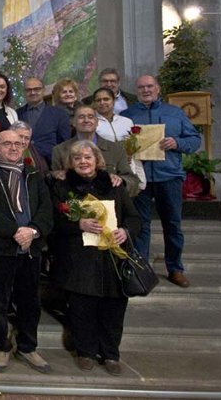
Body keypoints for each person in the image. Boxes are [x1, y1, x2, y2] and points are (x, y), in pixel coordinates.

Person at [48, 140, 140, 375]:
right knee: (82, 309)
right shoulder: (61, 187)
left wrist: (125, 231)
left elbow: (133, 218)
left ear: (97, 160)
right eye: (77, 158)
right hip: (78, 260)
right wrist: (78, 224)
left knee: (113, 309)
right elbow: (53, 222)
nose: (83, 162)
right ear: (70, 162)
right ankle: (85, 352)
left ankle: (111, 354)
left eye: (88, 157)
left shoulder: (114, 184)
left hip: (112, 259)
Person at [0, 130, 53, 374]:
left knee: (30, 301)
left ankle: (28, 347)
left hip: (30, 249)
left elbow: (46, 209)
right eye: (7, 143)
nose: (13, 148)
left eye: (18, 143)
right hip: (0, 248)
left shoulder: (33, 175)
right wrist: (15, 232)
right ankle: (1, 347)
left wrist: (33, 231)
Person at [122, 75, 201, 288]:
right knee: (141, 225)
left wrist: (177, 142)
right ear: (136, 90)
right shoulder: (128, 116)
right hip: (140, 178)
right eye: (141, 87)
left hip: (169, 176)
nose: (146, 90)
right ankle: (142, 270)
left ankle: (175, 269)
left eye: (150, 86)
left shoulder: (174, 113)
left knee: (172, 224)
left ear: (158, 88)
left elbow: (195, 140)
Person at [50, 105, 141, 198]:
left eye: (90, 117)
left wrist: (121, 181)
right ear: (73, 122)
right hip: (75, 203)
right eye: (81, 117)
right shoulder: (60, 150)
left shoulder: (116, 149)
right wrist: (54, 175)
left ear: (97, 122)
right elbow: (53, 180)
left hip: (110, 202)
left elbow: (133, 181)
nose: (86, 120)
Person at [92, 87, 145, 191]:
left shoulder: (127, 121)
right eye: (98, 100)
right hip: (105, 167)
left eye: (106, 99)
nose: (102, 102)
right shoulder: (92, 123)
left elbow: (133, 146)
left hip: (127, 167)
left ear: (113, 101)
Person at [16, 77, 70, 167]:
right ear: (24, 92)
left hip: (51, 166)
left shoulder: (60, 114)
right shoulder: (16, 114)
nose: (33, 92)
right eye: (29, 90)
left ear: (43, 90)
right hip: (23, 166)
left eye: (36, 89)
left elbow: (65, 144)